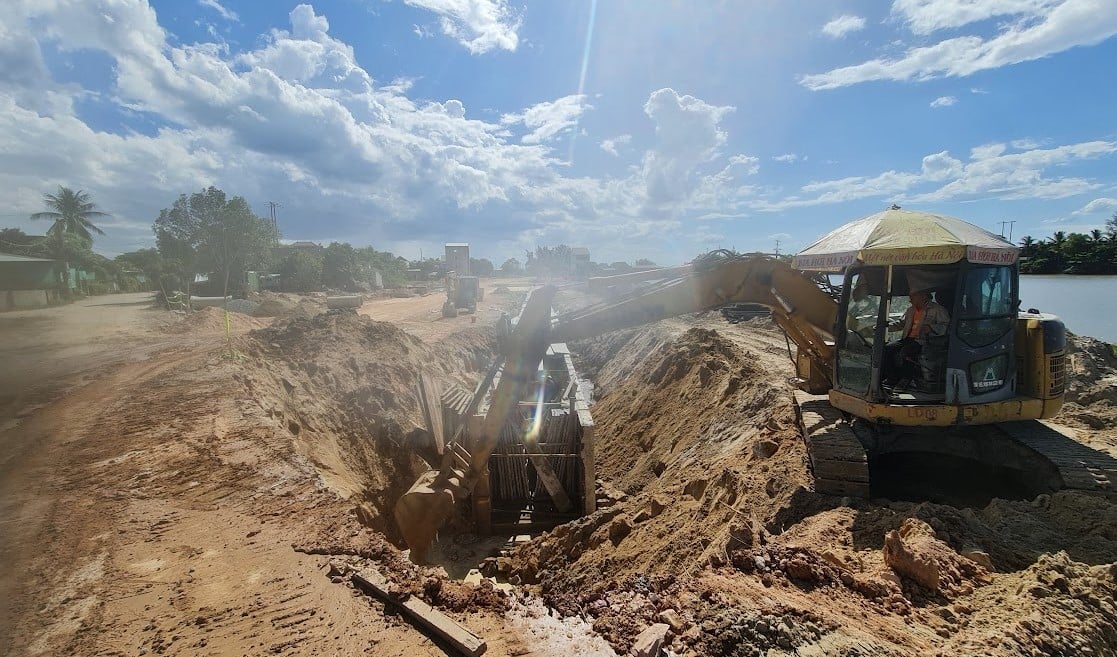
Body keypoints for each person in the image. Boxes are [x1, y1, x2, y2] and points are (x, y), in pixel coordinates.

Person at [882, 289, 949, 389]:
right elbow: (900, 324)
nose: (910, 299)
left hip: (925, 341)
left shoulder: (937, 310)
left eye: (912, 296)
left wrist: (931, 328)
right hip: (907, 338)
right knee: (886, 348)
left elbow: (947, 326)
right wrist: (885, 325)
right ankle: (892, 378)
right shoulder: (910, 310)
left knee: (907, 351)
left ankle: (906, 379)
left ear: (923, 296)